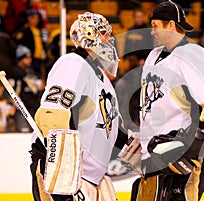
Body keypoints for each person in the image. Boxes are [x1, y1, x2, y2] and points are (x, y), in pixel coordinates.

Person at [130, 1, 204, 200]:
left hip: (182, 158)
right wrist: (143, 141)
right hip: (156, 156)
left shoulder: (192, 55)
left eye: (155, 25)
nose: (151, 32)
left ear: (171, 25)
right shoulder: (153, 56)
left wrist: (191, 150)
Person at [30, 12, 120, 201]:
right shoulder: (74, 63)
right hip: (70, 176)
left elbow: (108, 126)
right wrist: (63, 179)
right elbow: (52, 115)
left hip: (91, 178)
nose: (110, 39)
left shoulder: (101, 77)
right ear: (89, 35)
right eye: (104, 33)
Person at [8, 45, 41, 132]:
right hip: (21, 108)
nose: (29, 60)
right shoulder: (14, 72)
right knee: (23, 132)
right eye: (26, 58)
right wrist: (10, 104)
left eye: (30, 57)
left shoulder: (30, 71)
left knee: (33, 134)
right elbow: (10, 89)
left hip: (33, 108)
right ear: (20, 58)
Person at [15, 8, 47, 78]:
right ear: (29, 18)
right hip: (29, 59)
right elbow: (20, 45)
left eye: (37, 18)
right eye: (35, 18)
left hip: (39, 60)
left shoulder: (39, 31)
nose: (37, 20)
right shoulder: (24, 31)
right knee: (30, 77)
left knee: (38, 78)